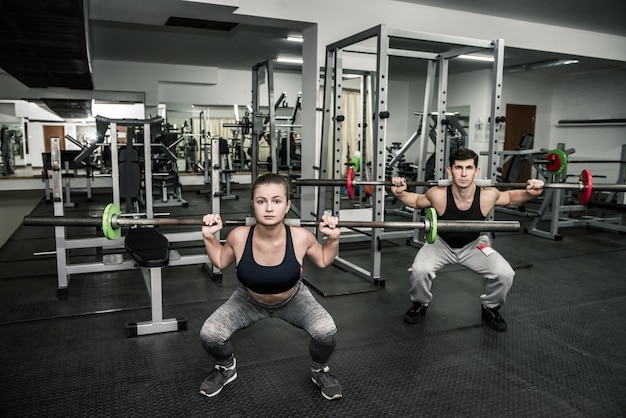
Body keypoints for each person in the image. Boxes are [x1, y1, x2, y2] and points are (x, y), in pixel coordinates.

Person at [199, 173, 343, 400]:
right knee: (210, 334)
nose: (268, 208)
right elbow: (219, 260)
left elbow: (324, 260)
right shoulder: (239, 236)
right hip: (248, 300)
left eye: (276, 201)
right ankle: (226, 367)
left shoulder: (300, 237)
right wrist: (209, 237)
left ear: (287, 205)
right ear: (253, 205)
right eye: (261, 201)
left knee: (326, 330)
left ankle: (319, 369)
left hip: (294, 299)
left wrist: (333, 239)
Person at [390, 148, 544, 331]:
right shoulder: (438, 194)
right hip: (440, 244)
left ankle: (491, 307)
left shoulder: (487, 194)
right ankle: (420, 304)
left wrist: (531, 193)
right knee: (419, 271)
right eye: (458, 168)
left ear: (476, 171)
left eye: (469, 168)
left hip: (474, 245)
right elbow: (416, 201)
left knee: (505, 274)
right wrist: (399, 193)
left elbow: (509, 197)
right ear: (450, 170)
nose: (463, 173)